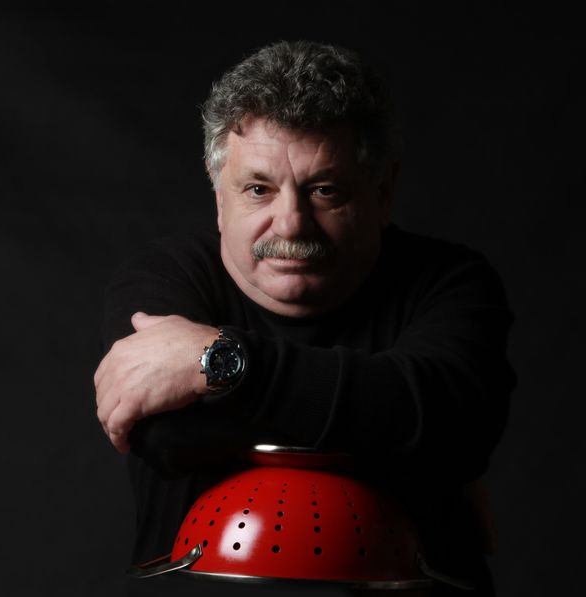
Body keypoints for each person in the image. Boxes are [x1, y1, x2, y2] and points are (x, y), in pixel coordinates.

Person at [94, 40, 516, 595]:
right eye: (258, 189)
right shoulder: (163, 278)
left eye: (325, 190)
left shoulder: (450, 281)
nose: (291, 223)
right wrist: (399, 431)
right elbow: (169, 436)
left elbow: (454, 425)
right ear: (219, 196)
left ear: (382, 191)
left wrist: (222, 363)